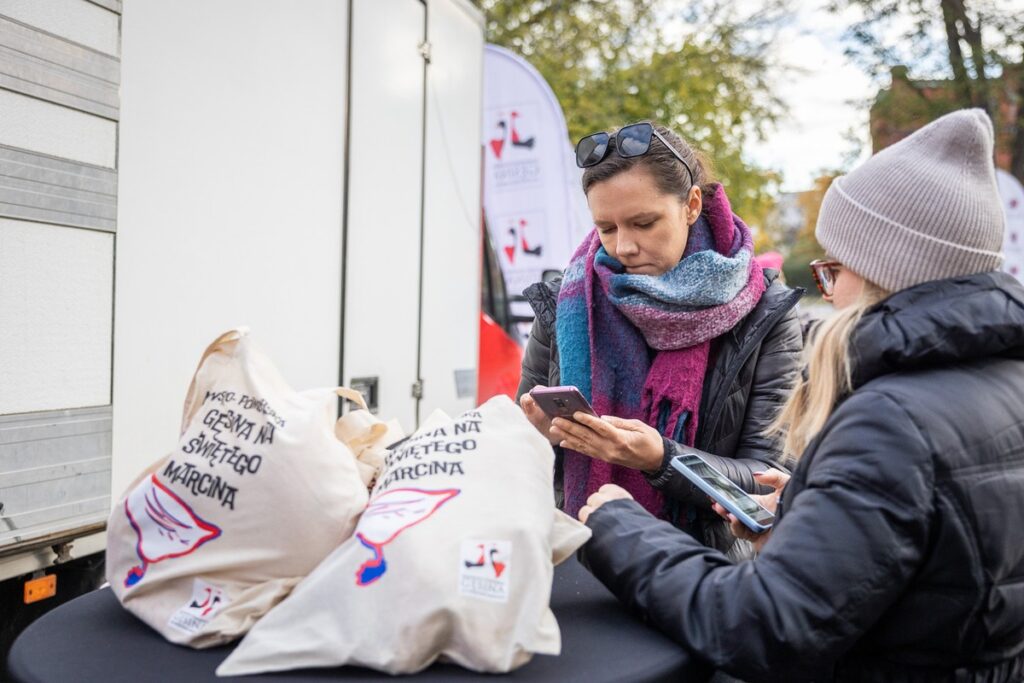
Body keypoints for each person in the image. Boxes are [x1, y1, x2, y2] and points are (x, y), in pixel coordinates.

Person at [577, 109, 1024, 682]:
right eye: (608, 230)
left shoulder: (889, 421)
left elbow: (764, 628)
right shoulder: (1000, 379)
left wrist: (620, 528)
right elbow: (941, 547)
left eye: (832, 272)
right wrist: (808, 506)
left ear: (886, 268)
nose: (830, 295)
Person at [517, 121, 803, 556]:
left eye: (644, 222)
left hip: (705, 574)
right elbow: (516, 457)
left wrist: (661, 459)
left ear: (690, 205)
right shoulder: (564, 304)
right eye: (606, 228)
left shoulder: (765, 313)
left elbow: (771, 477)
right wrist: (537, 436)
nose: (624, 246)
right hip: (580, 560)